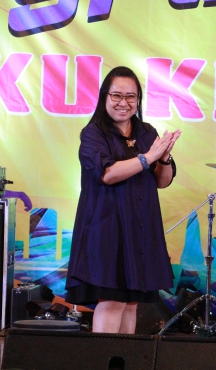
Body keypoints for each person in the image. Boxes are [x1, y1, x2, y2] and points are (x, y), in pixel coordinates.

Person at [66, 66, 181, 333]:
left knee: (131, 303)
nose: (124, 103)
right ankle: (104, 355)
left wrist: (163, 157)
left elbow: (162, 181)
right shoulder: (93, 133)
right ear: (105, 97)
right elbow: (107, 174)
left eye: (131, 97)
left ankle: (123, 356)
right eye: (117, 95)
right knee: (112, 301)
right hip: (107, 228)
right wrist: (149, 157)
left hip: (140, 228)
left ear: (138, 100)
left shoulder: (147, 132)